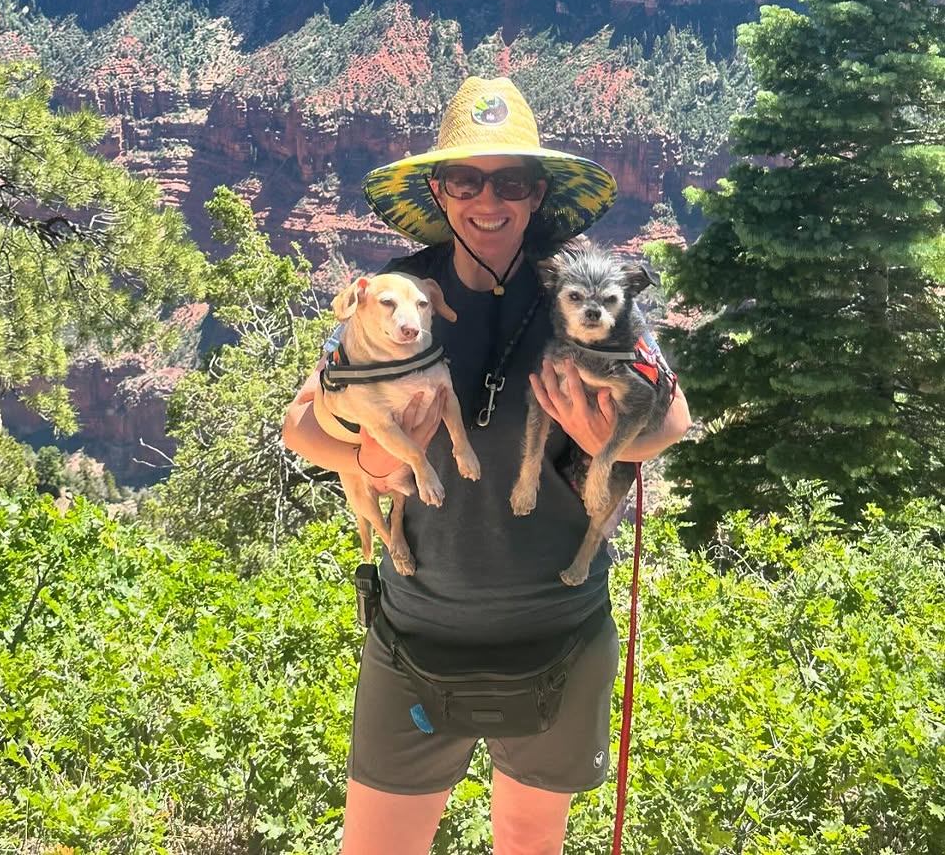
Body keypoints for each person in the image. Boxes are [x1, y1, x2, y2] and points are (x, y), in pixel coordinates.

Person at [282, 76, 691, 855]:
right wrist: (366, 449)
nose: (488, 200)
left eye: (513, 181)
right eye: (466, 179)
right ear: (439, 190)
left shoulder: (581, 287)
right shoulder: (402, 295)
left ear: (539, 195)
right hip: (414, 634)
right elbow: (302, 425)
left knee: (529, 844)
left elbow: (670, 419)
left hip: (558, 637)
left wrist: (603, 433)